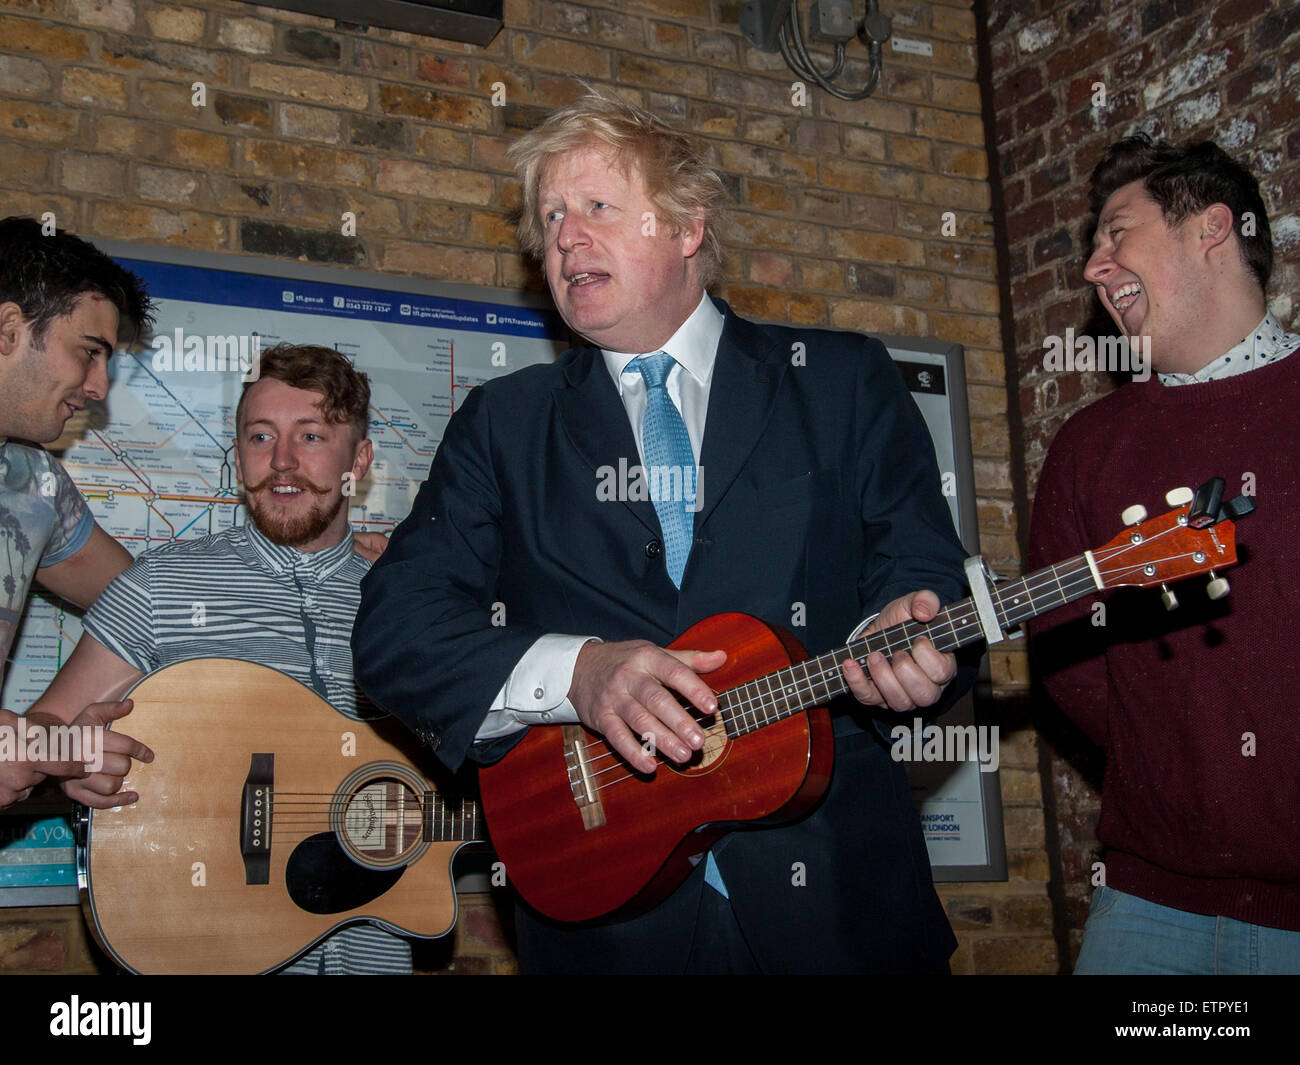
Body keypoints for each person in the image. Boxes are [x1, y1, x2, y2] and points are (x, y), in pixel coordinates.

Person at [354, 91, 971, 974]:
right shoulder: (502, 424)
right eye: (551, 217)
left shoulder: (840, 382)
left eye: (597, 207)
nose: (565, 237)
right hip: (603, 922)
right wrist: (577, 672)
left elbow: (922, 576)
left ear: (687, 226)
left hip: (838, 912)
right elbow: (394, 629)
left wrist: (905, 639)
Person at [29, 343, 412, 974]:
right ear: (238, 454)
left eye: (311, 435)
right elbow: (44, 731)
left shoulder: (411, 600)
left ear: (360, 459)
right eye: (260, 436)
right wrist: (72, 763)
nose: (282, 462)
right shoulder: (159, 586)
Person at [1028, 134, 1300, 973]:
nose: (1093, 268)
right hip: (1148, 906)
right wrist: (1175, 760)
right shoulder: (1087, 445)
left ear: (1211, 227)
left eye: (1117, 233)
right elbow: (1063, 648)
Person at [0, 217, 155, 809]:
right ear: (10, 328)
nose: (98, 387)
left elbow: (152, 606)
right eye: (89, 353)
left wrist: (52, 741)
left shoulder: (37, 484)